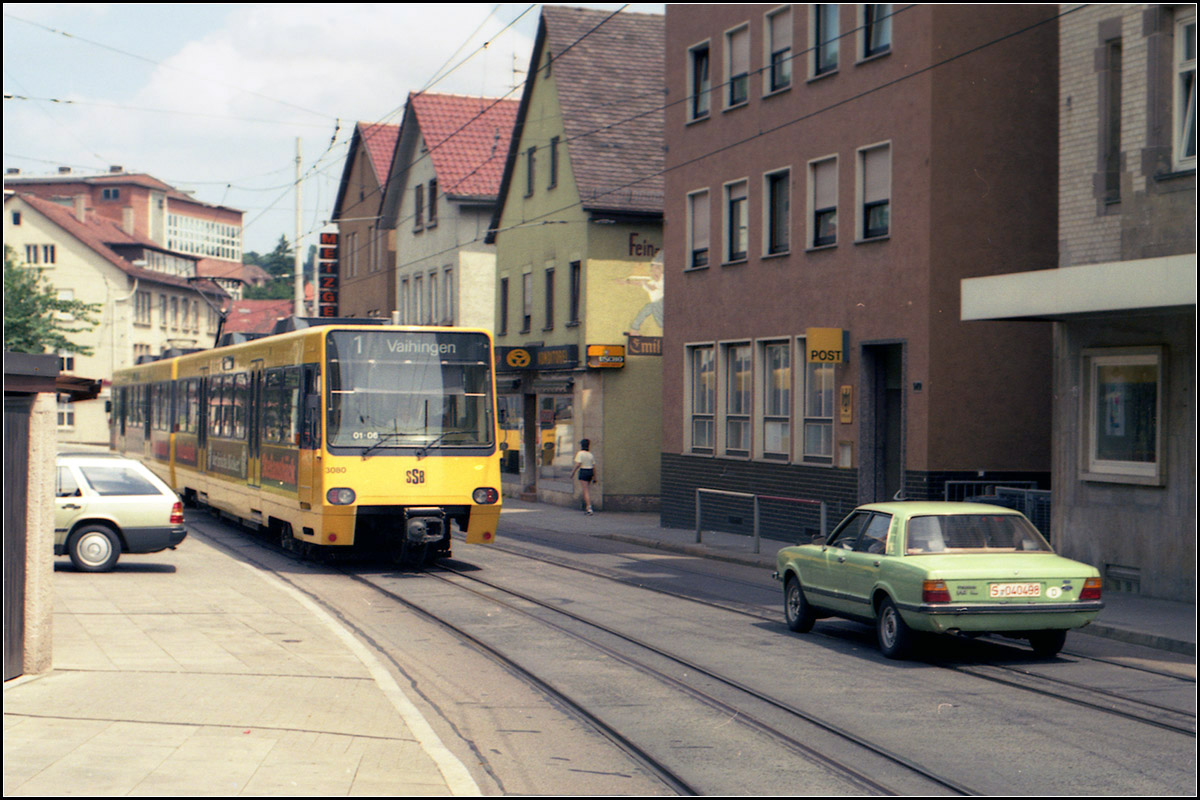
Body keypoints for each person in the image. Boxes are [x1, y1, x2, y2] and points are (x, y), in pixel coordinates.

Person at [571, 439, 596, 515]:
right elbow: (594, 466)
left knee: (585, 491)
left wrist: (573, 472)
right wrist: (595, 477)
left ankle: (589, 508)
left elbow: (578, 464)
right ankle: (586, 506)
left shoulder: (580, 453)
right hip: (590, 471)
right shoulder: (590, 454)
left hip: (584, 471)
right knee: (587, 489)